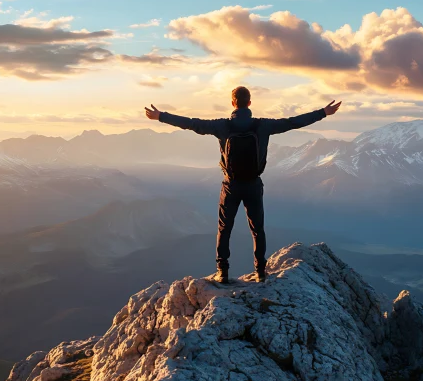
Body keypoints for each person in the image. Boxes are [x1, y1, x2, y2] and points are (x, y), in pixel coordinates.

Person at [145, 86, 341, 283]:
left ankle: (222, 271)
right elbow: (293, 122)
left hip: (230, 185)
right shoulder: (263, 126)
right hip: (253, 185)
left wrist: (161, 116)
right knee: (257, 229)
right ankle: (260, 271)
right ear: (249, 102)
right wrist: (323, 112)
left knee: (224, 228)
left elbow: (192, 123)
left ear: (232, 103)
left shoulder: (222, 126)